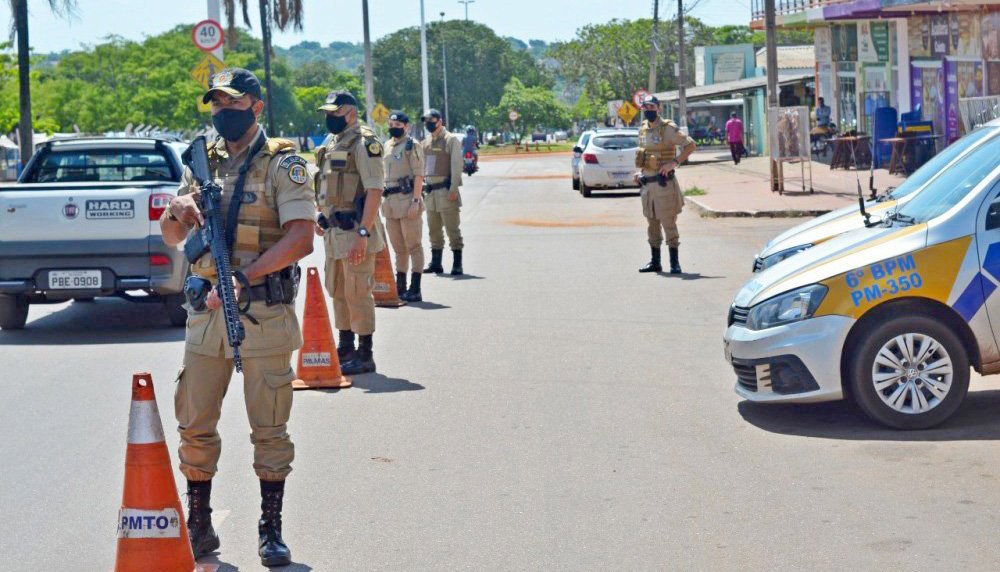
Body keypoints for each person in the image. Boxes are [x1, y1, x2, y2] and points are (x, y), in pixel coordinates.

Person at [160, 68, 315, 567]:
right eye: (214, 103)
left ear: (255, 105)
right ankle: (200, 525)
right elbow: (169, 237)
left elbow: (302, 238)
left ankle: (271, 529)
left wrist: (244, 278)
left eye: (230, 101)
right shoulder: (202, 162)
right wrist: (177, 209)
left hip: (263, 313)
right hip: (206, 316)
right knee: (194, 423)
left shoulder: (282, 164)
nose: (220, 111)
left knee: (269, 429)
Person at [315, 91, 385, 375]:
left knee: (357, 292)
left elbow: (374, 190)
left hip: (356, 230)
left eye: (335, 113)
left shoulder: (364, 143)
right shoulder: (333, 142)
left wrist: (364, 233)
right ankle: (345, 347)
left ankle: (364, 353)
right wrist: (322, 215)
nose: (330, 118)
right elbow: (326, 185)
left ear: (351, 113)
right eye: (328, 113)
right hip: (334, 232)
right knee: (338, 291)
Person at [633, 95, 697, 274]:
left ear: (658, 109)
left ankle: (674, 263)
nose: (648, 110)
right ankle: (655, 262)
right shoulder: (643, 129)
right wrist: (640, 173)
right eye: (645, 107)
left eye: (652, 107)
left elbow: (691, 145)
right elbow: (645, 156)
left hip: (664, 186)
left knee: (668, 223)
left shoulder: (668, 129)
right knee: (651, 224)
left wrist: (674, 162)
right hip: (647, 186)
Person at [381, 110, 426, 302]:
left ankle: (415, 288)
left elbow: (418, 175)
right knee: (399, 248)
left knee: (414, 246)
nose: (394, 128)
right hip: (391, 204)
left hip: (408, 202)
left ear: (406, 127)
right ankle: (400, 287)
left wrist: (416, 201)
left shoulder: (411, 145)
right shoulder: (387, 146)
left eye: (398, 125)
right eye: (391, 125)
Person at [421, 109, 465, 276]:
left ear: (439, 121)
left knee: (452, 229)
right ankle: (436, 263)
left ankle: (457, 263)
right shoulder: (426, 142)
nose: (428, 123)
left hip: (446, 191)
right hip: (431, 193)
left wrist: (454, 188)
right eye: (425, 121)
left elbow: (456, 165)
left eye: (430, 120)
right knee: (434, 230)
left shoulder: (450, 139)